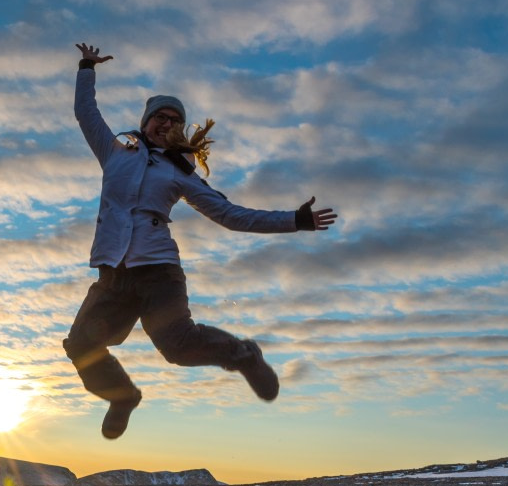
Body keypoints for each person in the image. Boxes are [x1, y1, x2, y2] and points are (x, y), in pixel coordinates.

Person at [66, 43, 336, 439]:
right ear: (146, 120)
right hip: (113, 275)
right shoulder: (115, 151)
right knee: (81, 343)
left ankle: (243, 355)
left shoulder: (181, 173)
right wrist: (87, 67)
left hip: (158, 273)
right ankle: (121, 396)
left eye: (175, 119)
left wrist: (295, 220)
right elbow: (85, 113)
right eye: (160, 115)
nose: (166, 122)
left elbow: (231, 215)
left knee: (177, 346)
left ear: (180, 129)